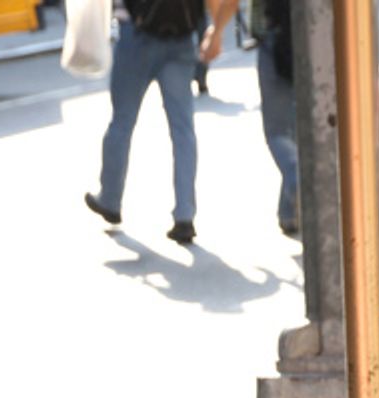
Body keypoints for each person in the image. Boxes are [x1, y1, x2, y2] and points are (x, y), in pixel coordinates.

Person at [84, 0, 238, 244]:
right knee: (183, 130)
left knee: (122, 122)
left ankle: (110, 199)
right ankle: (185, 214)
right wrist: (216, 32)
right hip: (181, 38)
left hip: (136, 36)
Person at [249, 0, 298, 237]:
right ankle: (288, 213)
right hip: (318, 40)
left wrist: (216, 31)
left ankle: (299, 181)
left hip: (276, 40)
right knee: (300, 131)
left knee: (278, 133)